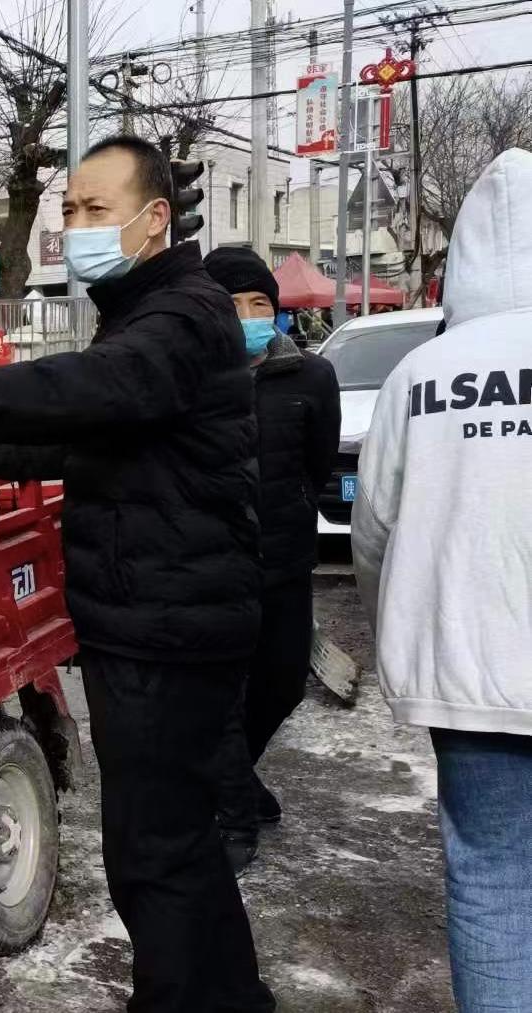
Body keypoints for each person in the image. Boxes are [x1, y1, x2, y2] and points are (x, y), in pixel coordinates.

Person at [0, 135, 272, 1012]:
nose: (75, 226)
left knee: (152, 853)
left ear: (153, 218)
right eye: (68, 210)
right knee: (177, 840)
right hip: (158, 611)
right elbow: (101, 433)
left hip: (167, 621)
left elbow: (89, 391)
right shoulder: (149, 310)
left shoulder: (179, 315)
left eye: (94, 210)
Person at [353, 148, 532, 1013]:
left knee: (492, 880)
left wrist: (387, 625)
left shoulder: (417, 378)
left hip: (470, 674)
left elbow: (376, 532)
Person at [203, 246, 341, 874]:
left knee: (283, 682)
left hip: (285, 560)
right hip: (213, 565)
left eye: (260, 304)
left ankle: (232, 777)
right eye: (233, 305)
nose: (249, 316)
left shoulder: (310, 377)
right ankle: (231, 812)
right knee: (223, 695)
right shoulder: (193, 381)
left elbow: (318, 464)